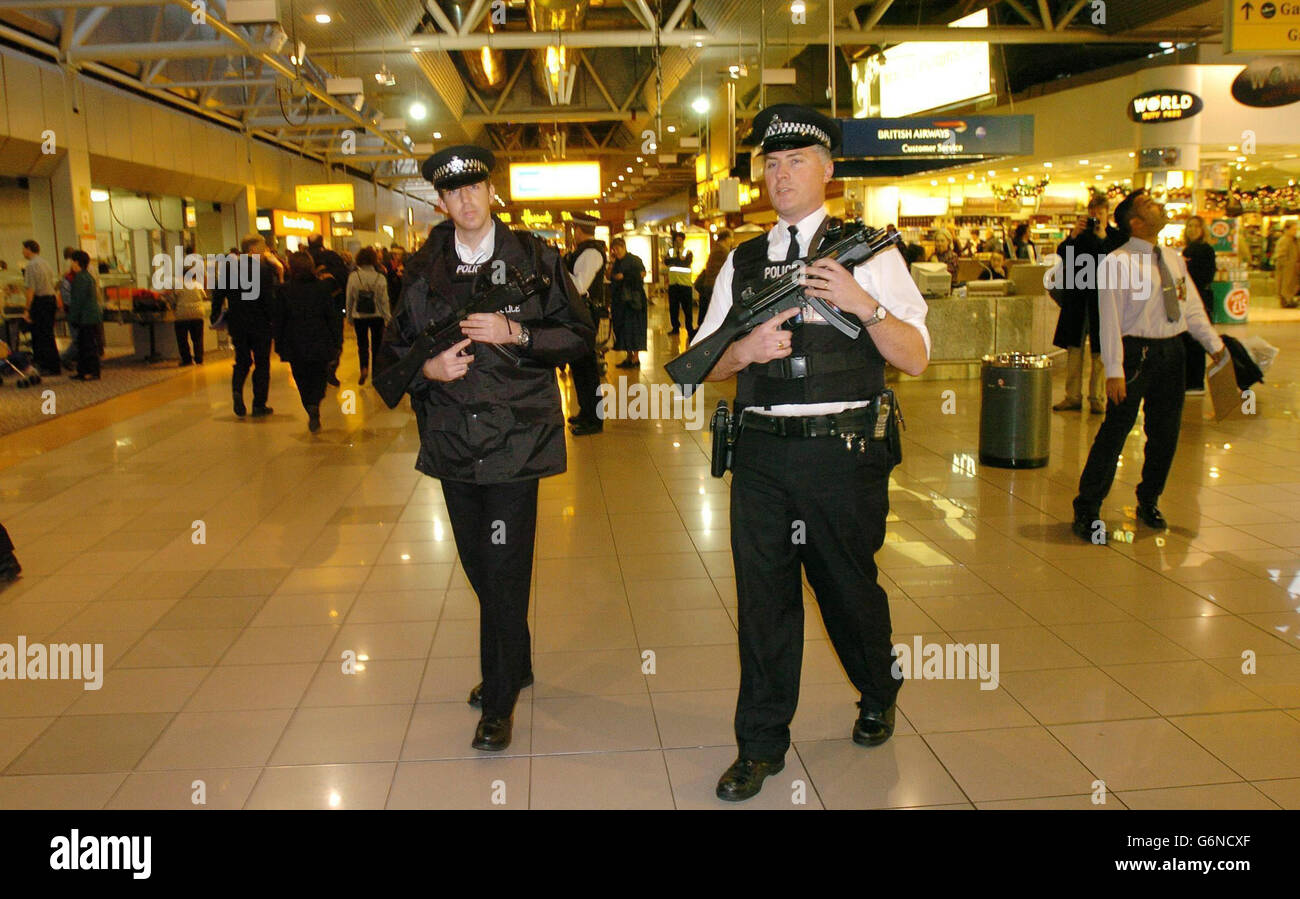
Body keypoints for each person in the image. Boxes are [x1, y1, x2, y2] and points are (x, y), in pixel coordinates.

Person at [690, 104, 931, 802]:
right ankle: (760, 743)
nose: (779, 173)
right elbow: (700, 362)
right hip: (762, 456)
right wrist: (743, 350)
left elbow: (914, 357)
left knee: (847, 591)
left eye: (796, 160)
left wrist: (864, 304)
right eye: (770, 162)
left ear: (828, 170)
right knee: (764, 604)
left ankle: (878, 685)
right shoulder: (742, 260)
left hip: (842, 455)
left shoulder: (870, 251)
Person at [377, 145, 593, 752]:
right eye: (452, 193)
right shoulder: (422, 269)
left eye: (474, 188)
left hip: (516, 442)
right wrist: (430, 369)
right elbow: (390, 358)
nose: (465, 200)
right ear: (440, 203)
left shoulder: (535, 258)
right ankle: (515, 660)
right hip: (452, 442)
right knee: (479, 566)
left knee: (503, 570)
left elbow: (579, 334)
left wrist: (515, 332)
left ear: (491, 191)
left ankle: (498, 702)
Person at [1071, 189, 1226, 541]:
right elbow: (1107, 320)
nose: (1160, 206)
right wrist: (1114, 369)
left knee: (1165, 434)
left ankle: (1149, 500)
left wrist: (1215, 347)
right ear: (1135, 222)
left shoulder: (1172, 257)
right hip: (1135, 354)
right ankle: (1087, 509)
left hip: (1173, 353)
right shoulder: (1117, 262)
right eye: (1149, 205)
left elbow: (1191, 309)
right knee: (1114, 433)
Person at [1051, 195, 1112, 414]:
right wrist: (1073, 236)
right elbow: (1062, 254)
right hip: (1077, 298)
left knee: (1100, 350)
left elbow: (1115, 261)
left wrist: (1103, 237)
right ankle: (1072, 396)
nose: (1095, 217)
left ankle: (1097, 397)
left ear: (1107, 213)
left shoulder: (1113, 236)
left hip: (1102, 299)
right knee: (1074, 349)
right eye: (1092, 213)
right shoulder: (1080, 237)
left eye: (1100, 212)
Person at [274, 251, 342, 433]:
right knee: (319, 375)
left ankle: (310, 405)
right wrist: (337, 341)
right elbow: (331, 316)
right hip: (320, 339)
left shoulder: (284, 290)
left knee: (301, 377)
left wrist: (279, 343)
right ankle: (315, 403)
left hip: (294, 341)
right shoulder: (322, 288)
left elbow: (279, 319)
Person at [211, 235, 277, 418]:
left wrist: (215, 315)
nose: (265, 252)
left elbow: (218, 294)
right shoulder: (263, 269)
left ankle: (237, 390)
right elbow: (268, 299)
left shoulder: (229, 268)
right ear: (252, 249)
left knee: (242, 360)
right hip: (260, 324)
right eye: (262, 248)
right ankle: (259, 405)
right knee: (262, 363)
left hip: (237, 323)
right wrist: (275, 321)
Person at [564, 221, 607, 436]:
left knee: (587, 368)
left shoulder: (591, 253)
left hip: (586, 315)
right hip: (580, 315)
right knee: (580, 366)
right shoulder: (585, 251)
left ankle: (594, 418)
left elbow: (580, 285)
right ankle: (586, 411)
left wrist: (560, 272)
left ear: (579, 231)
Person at [306, 233, 349, 387]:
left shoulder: (304, 258)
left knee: (314, 339)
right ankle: (331, 366)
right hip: (333, 305)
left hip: (310, 308)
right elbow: (345, 277)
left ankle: (318, 371)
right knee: (336, 339)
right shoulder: (333, 257)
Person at [1181, 216, 1218, 392]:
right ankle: (1189, 380)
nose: (1192, 229)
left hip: (1200, 299)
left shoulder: (1205, 250)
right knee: (1188, 340)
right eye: (1190, 225)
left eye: (1196, 226)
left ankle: (1196, 382)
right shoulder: (1187, 249)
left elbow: (1205, 276)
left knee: (1196, 341)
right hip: (1188, 299)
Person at [345, 246, 390, 386]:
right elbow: (384, 300)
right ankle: (376, 373)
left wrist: (349, 316)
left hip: (359, 315)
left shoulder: (354, 277)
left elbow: (349, 298)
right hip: (377, 315)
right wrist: (387, 317)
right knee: (377, 344)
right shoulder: (380, 277)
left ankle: (363, 368)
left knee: (362, 344)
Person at [20, 240, 61, 375]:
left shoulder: (31, 266)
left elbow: (30, 290)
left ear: (29, 249)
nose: (22, 252)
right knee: (48, 334)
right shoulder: (45, 263)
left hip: (40, 302)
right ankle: (54, 365)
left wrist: (27, 309)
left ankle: (44, 365)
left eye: (24, 249)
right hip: (50, 300)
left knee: (39, 336)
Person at [609, 237, 647, 368]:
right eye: (614, 249)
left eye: (618, 248)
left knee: (635, 327)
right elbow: (611, 276)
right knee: (623, 329)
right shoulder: (616, 262)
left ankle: (635, 358)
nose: (617, 251)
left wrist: (625, 276)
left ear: (624, 247)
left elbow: (642, 273)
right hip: (620, 301)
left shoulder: (634, 260)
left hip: (634, 300)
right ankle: (629, 356)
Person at [66, 251, 102, 381]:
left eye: (72, 261)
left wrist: (72, 317)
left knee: (86, 345)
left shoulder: (80, 278)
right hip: (90, 315)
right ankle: (85, 371)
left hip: (85, 317)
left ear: (76, 262)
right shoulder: (87, 276)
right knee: (87, 344)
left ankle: (90, 371)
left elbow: (77, 301)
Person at [694, 229, 733, 328]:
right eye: (730, 238)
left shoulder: (716, 248)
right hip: (714, 285)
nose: (731, 241)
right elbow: (723, 269)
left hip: (710, 284)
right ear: (726, 238)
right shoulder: (721, 250)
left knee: (707, 311)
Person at [663, 231, 695, 339]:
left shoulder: (688, 252)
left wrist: (674, 261)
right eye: (676, 240)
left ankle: (689, 328)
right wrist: (678, 260)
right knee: (673, 308)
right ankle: (675, 327)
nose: (678, 242)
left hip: (685, 284)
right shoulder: (670, 251)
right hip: (673, 284)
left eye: (680, 240)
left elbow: (686, 263)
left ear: (683, 240)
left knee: (687, 308)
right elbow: (666, 262)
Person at [173, 279, 208, 367]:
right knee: (198, 338)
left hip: (182, 315)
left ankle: (187, 360)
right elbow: (204, 296)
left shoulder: (179, 285)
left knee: (182, 339)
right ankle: (199, 359)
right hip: (197, 314)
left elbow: (174, 298)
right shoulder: (198, 285)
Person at [1275, 220, 1299, 308]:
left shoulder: (1294, 240)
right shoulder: (1284, 240)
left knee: (1292, 286)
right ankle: (1286, 301)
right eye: (1293, 229)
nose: (1295, 231)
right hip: (1287, 268)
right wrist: (1286, 264)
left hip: (1294, 268)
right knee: (1285, 286)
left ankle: (1290, 300)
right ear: (1287, 230)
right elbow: (1280, 256)